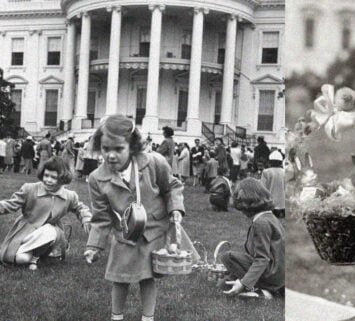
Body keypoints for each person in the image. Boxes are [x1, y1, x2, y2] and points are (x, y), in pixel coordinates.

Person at [83, 114, 197, 321]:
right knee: (119, 278)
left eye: (118, 149)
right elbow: (101, 218)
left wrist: (176, 209)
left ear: (132, 147)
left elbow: (172, 187)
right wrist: (94, 246)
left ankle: (148, 317)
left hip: (152, 232)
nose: (111, 155)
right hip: (124, 234)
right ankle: (116, 316)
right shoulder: (96, 178)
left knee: (147, 278)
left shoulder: (154, 162)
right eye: (105, 149)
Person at [0, 156, 92, 270]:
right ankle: (29, 253)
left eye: (53, 177)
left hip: (49, 235)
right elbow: (10, 204)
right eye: (46, 175)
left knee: (51, 230)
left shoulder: (69, 196)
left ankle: (35, 256)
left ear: (63, 179)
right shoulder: (30, 189)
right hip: (26, 233)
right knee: (20, 259)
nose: (48, 180)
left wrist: (86, 218)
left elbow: (80, 208)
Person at [221, 178, 285, 299]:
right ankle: (267, 291)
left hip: (272, 275)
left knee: (228, 257)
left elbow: (262, 259)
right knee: (223, 282)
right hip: (280, 274)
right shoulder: (270, 217)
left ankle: (263, 290)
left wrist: (243, 283)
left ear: (248, 204)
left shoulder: (260, 223)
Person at [261, 150, 286, 219]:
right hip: (283, 204)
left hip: (270, 204)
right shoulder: (284, 172)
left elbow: (263, 187)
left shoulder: (266, 172)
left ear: (270, 162)